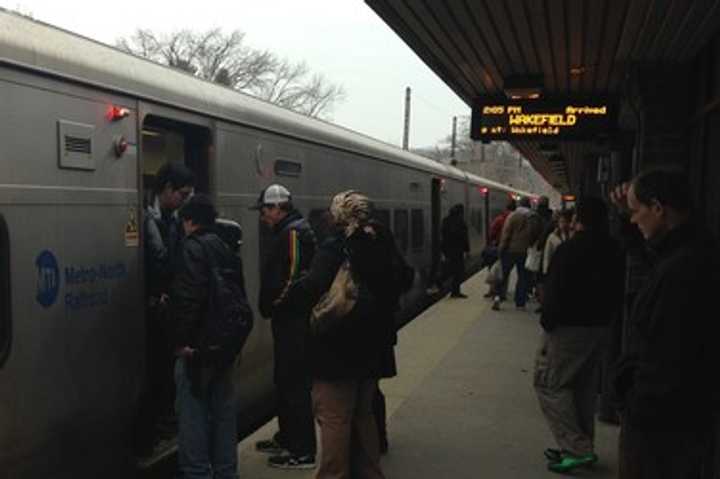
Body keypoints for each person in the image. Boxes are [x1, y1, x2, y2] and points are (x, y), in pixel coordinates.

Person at [282, 190, 406, 479]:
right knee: (363, 414)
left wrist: (289, 298)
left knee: (334, 417)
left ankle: (332, 475)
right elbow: (403, 277)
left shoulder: (338, 246)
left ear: (339, 215)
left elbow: (313, 286)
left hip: (337, 349)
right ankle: (369, 472)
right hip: (373, 347)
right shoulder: (380, 242)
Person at [610, 168, 720, 479]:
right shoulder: (691, 253)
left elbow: (669, 355)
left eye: (635, 212)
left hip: (660, 428)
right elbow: (653, 261)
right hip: (673, 420)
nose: (632, 220)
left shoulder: (685, 270)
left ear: (658, 208)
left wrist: (630, 401)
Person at [534, 197, 624, 473]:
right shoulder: (614, 249)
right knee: (582, 388)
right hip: (599, 328)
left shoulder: (569, 250)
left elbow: (555, 291)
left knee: (549, 384)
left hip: (567, 329)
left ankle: (576, 447)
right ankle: (581, 445)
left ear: (578, 220)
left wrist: (548, 322)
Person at [171, 194, 249, 479]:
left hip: (199, 351)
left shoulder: (191, 247)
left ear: (189, 221)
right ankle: (227, 473)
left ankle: (197, 474)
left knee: (192, 419)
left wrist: (181, 343)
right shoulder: (225, 246)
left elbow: (189, 299)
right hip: (224, 350)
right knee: (224, 417)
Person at [252, 184, 318, 469]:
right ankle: (287, 437)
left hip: (294, 321)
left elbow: (293, 277)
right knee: (284, 380)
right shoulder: (290, 229)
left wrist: (275, 304)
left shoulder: (292, 233)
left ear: (279, 208)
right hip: (289, 320)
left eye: (265, 210)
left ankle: (302, 451)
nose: (263, 216)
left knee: (294, 385)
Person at [135, 162, 195, 457]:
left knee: (164, 370)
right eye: (182, 194)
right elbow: (159, 260)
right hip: (153, 307)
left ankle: (165, 422)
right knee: (156, 370)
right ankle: (156, 428)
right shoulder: (146, 216)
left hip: (165, 306)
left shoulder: (170, 218)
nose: (184, 201)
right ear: (167, 188)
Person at [494, 197, 543, 310]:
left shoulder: (513, 216)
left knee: (504, 275)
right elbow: (538, 234)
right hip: (525, 251)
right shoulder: (534, 217)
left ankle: (498, 297)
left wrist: (501, 249)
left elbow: (506, 234)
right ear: (529, 205)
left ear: (519, 205)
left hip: (510, 251)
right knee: (523, 277)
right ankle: (520, 303)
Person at [483, 199, 516, 298]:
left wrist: (491, 242)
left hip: (498, 247)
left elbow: (492, 233)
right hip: (510, 249)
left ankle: (493, 290)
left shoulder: (499, 219)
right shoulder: (517, 219)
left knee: (494, 269)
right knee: (505, 271)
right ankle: (502, 293)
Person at [441, 204, 470, 298]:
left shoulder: (446, 220)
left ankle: (440, 282)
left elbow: (443, 235)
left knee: (452, 269)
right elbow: (464, 237)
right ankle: (455, 291)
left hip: (448, 250)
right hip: (458, 250)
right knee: (458, 272)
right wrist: (467, 249)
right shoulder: (460, 222)